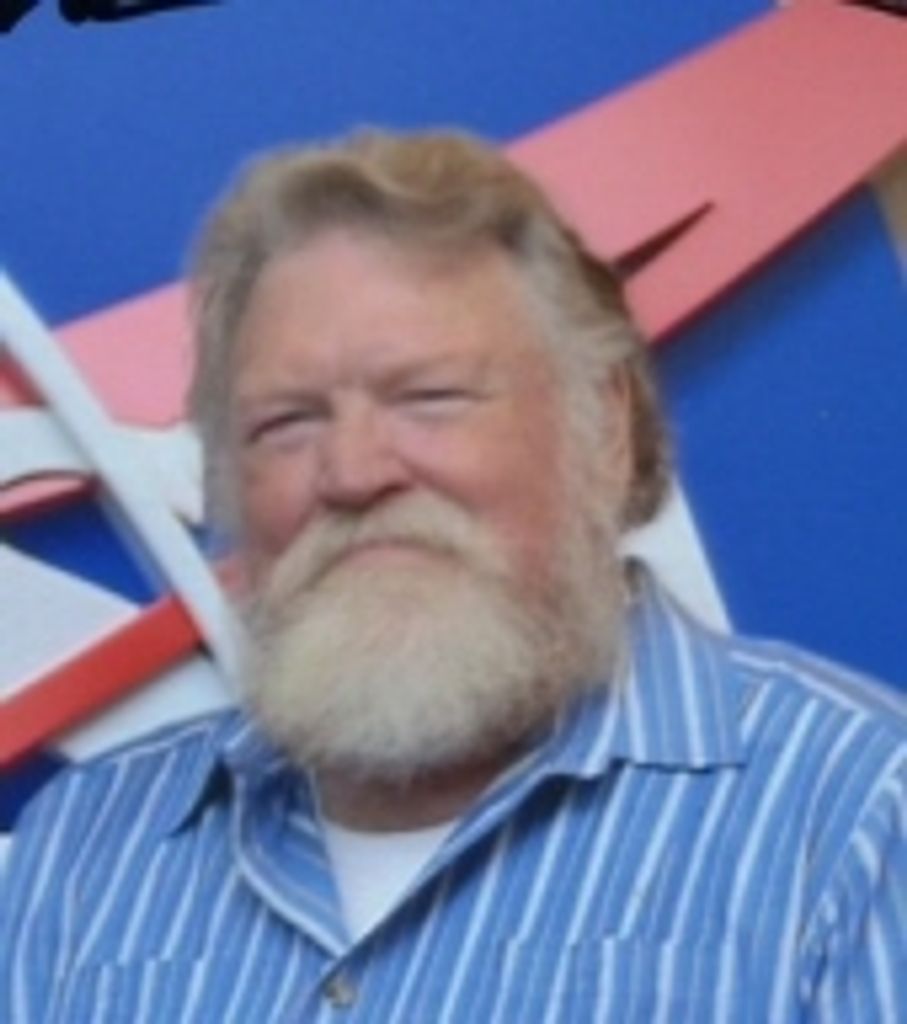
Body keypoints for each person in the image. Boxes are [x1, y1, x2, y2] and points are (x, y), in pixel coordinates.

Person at [2, 131, 905, 1023]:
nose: (353, 472)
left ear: (603, 429)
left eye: (428, 398)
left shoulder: (854, 819)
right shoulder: (82, 858)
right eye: (286, 422)